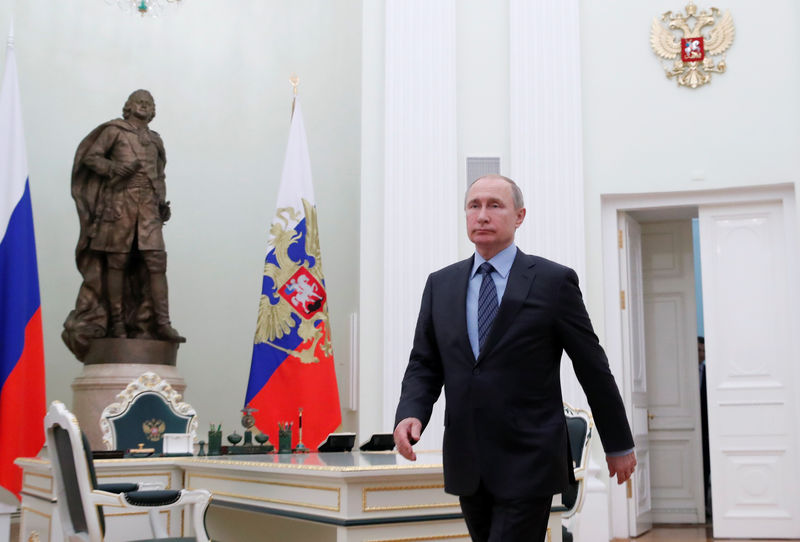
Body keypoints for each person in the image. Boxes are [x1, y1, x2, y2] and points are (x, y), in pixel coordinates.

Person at [394, 175, 636, 541]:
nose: (482, 215)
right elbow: (425, 363)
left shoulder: (553, 282)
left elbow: (592, 366)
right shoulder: (440, 284)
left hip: (530, 459)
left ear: (519, 216)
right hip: (468, 459)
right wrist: (411, 412)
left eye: (495, 205)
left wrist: (618, 442)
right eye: (474, 206)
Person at [63, 89, 184, 360]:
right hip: (119, 205)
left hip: (148, 209)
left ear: (154, 111)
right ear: (128, 107)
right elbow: (90, 157)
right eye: (138, 102)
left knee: (156, 261)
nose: (144, 106)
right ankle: (116, 323)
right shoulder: (114, 131)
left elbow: (160, 175)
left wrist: (161, 202)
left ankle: (162, 324)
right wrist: (113, 169)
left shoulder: (155, 140)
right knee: (116, 263)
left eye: (149, 103)